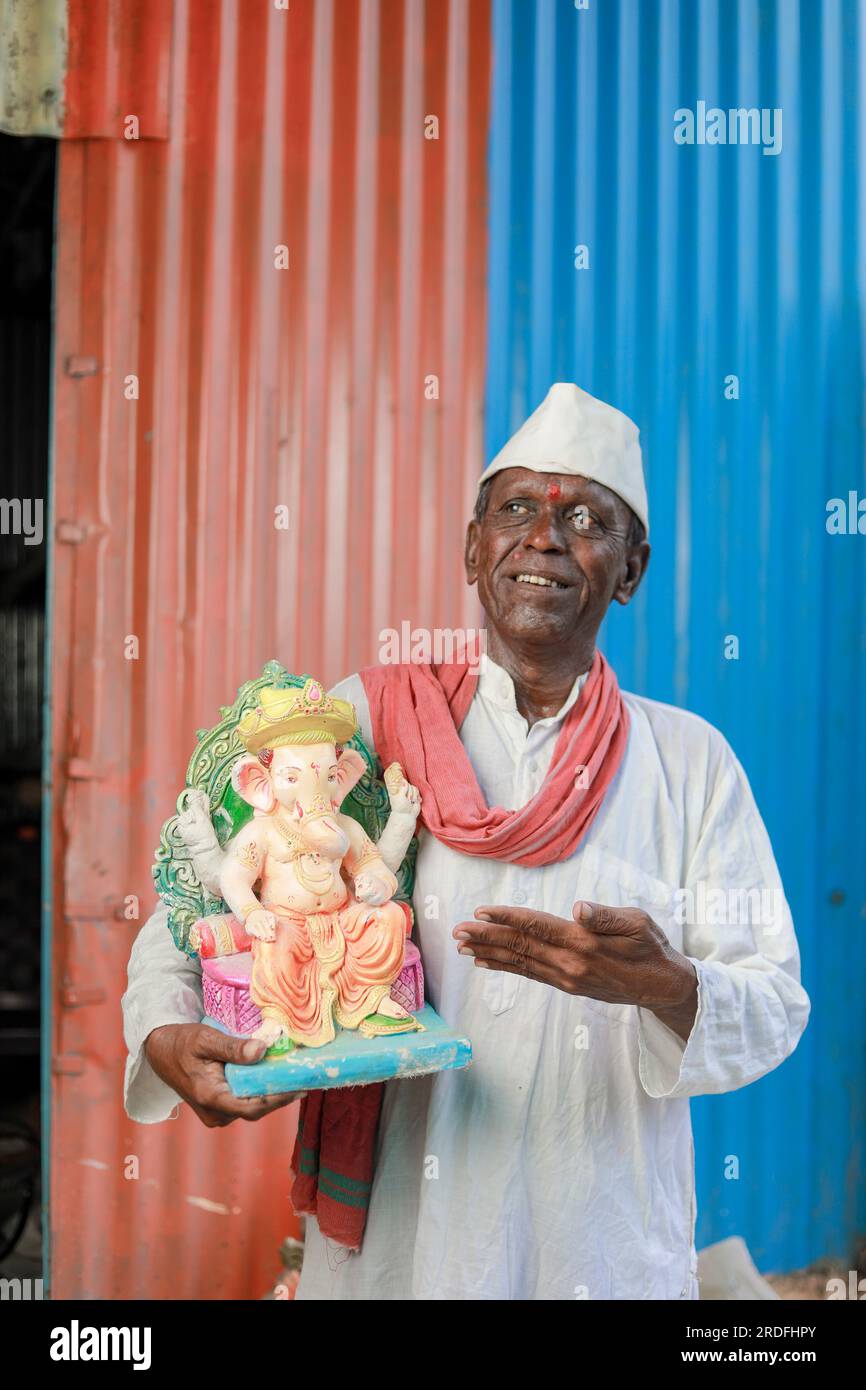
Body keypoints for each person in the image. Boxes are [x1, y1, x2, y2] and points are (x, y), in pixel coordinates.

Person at [123, 382, 810, 1299]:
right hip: (403, 1250)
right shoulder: (368, 721)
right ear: (472, 547)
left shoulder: (692, 764)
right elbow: (192, 910)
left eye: (584, 518)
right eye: (516, 508)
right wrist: (165, 1031)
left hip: (599, 1245)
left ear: (632, 567)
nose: (545, 537)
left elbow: (774, 1000)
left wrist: (668, 986)